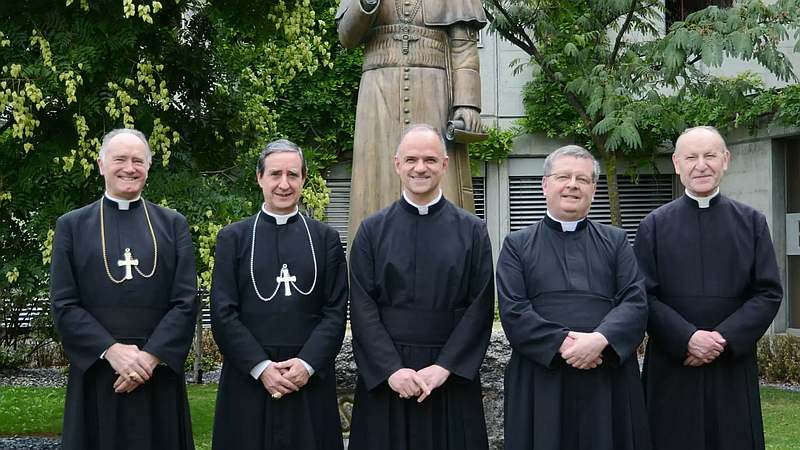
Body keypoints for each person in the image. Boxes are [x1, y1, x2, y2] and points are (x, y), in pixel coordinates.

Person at [634, 126, 783, 450]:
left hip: (731, 364)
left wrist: (722, 339)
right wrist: (687, 338)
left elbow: (768, 292)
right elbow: (642, 295)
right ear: (677, 164)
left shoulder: (752, 222)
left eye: (710, 156)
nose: (701, 165)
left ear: (725, 160)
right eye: (691, 157)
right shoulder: (653, 225)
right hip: (673, 365)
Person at [347, 124, 495, 450]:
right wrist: (392, 371)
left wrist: (444, 367)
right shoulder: (371, 231)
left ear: (444, 164)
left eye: (430, 160)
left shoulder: (473, 231)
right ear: (397, 164)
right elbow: (362, 308)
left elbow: (480, 307)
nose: (420, 168)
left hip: (448, 375)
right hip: (389, 376)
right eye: (411, 159)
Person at [50, 128, 198, 450]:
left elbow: (186, 302)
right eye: (120, 159)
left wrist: (150, 357)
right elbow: (64, 304)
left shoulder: (173, 224)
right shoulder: (72, 226)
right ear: (101, 164)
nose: (129, 168)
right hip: (98, 373)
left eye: (138, 161)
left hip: (157, 374)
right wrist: (112, 351)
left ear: (148, 167)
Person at [497, 145, 651, 450]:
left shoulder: (617, 241)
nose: (572, 185)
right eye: (563, 177)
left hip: (606, 375)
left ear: (594, 189)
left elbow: (635, 302)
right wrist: (565, 345)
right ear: (545, 185)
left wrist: (599, 340)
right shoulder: (516, 245)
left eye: (582, 179)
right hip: (542, 377)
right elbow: (514, 310)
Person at [210, 139, 348, 450]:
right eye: (275, 174)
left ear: (304, 179)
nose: (284, 184)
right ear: (259, 177)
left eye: (292, 175)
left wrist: (306, 365)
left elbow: (335, 311)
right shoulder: (233, 238)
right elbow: (223, 312)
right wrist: (261, 368)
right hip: (248, 379)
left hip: (308, 381)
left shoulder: (325, 239)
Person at [336, 0, 487, 235]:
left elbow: (463, 46)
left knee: (439, 174)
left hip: (434, 89)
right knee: (375, 183)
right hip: (377, 92)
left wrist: (467, 103)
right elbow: (347, 37)